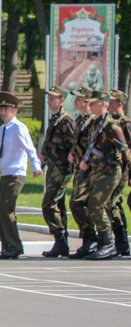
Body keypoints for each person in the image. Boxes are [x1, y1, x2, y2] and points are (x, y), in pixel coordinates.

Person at [76, 90, 130, 260]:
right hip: (96, 170)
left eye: (93, 103)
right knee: (92, 205)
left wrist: (128, 173)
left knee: (97, 205)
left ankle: (108, 243)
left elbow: (125, 151)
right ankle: (102, 242)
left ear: (103, 104)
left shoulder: (112, 126)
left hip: (110, 171)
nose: (90, 105)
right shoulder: (95, 124)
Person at [0, 92, 42, 259]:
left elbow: (30, 149)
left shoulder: (19, 128)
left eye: (6, 109)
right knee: (2, 210)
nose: (3, 112)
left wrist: (36, 166)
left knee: (7, 209)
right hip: (5, 173)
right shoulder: (3, 129)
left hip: (16, 173)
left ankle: (15, 246)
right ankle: (7, 246)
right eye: (1, 109)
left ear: (15, 111)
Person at [39, 86, 76, 257]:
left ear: (61, 100)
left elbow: (75, 143)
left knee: (49, 204)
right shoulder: (55, 119)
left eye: (52, 98)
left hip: (62, 168)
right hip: (53, 167)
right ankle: (62, 243)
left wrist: (71, 159)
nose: (49, 101)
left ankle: (60, 237)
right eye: (48, 98)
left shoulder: (66, 120)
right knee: (58, 205)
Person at [68, 88, 98, 257]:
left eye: (79, 99)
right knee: (77, 203)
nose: (75, 102)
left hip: (90, 169)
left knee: (78, 203)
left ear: (87, 102)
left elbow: (95, 144)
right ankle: (89, 238)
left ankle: (92, 238)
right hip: (80, 169)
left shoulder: (93, 121)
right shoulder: (80, 120)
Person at [106, 90, 131, 256]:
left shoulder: (125, 123)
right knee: (111, 203)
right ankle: (120, 242)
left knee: (113, 202)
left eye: (112, 102)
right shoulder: (110, 121)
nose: (108, 105)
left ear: (119, 104)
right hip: (112, 168)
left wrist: (128, 172)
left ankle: (122, 241)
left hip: (122, 170)